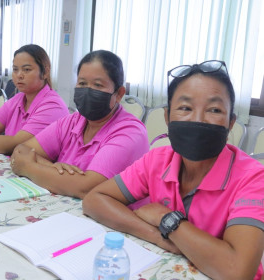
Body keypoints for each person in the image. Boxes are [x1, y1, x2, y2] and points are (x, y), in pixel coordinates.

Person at [83, 60, 264, 280]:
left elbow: (238, 271)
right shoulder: (158, 160)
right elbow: (94, 200)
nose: (198, 119)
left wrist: (167, 219)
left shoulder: (253, 178)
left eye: (214, 110)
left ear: (231, 123)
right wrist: (158, 236)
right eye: (185, 108)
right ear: (168, 118)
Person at [10, 50, 149, 199]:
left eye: (98, 85)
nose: (88, 90)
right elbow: (22, 150)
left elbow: (87, 188)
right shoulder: (73, 121)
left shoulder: (130, 132)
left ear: (119, 94)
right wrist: (52, 168)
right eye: (82, 83)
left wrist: (28, 167)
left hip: (111, 219)